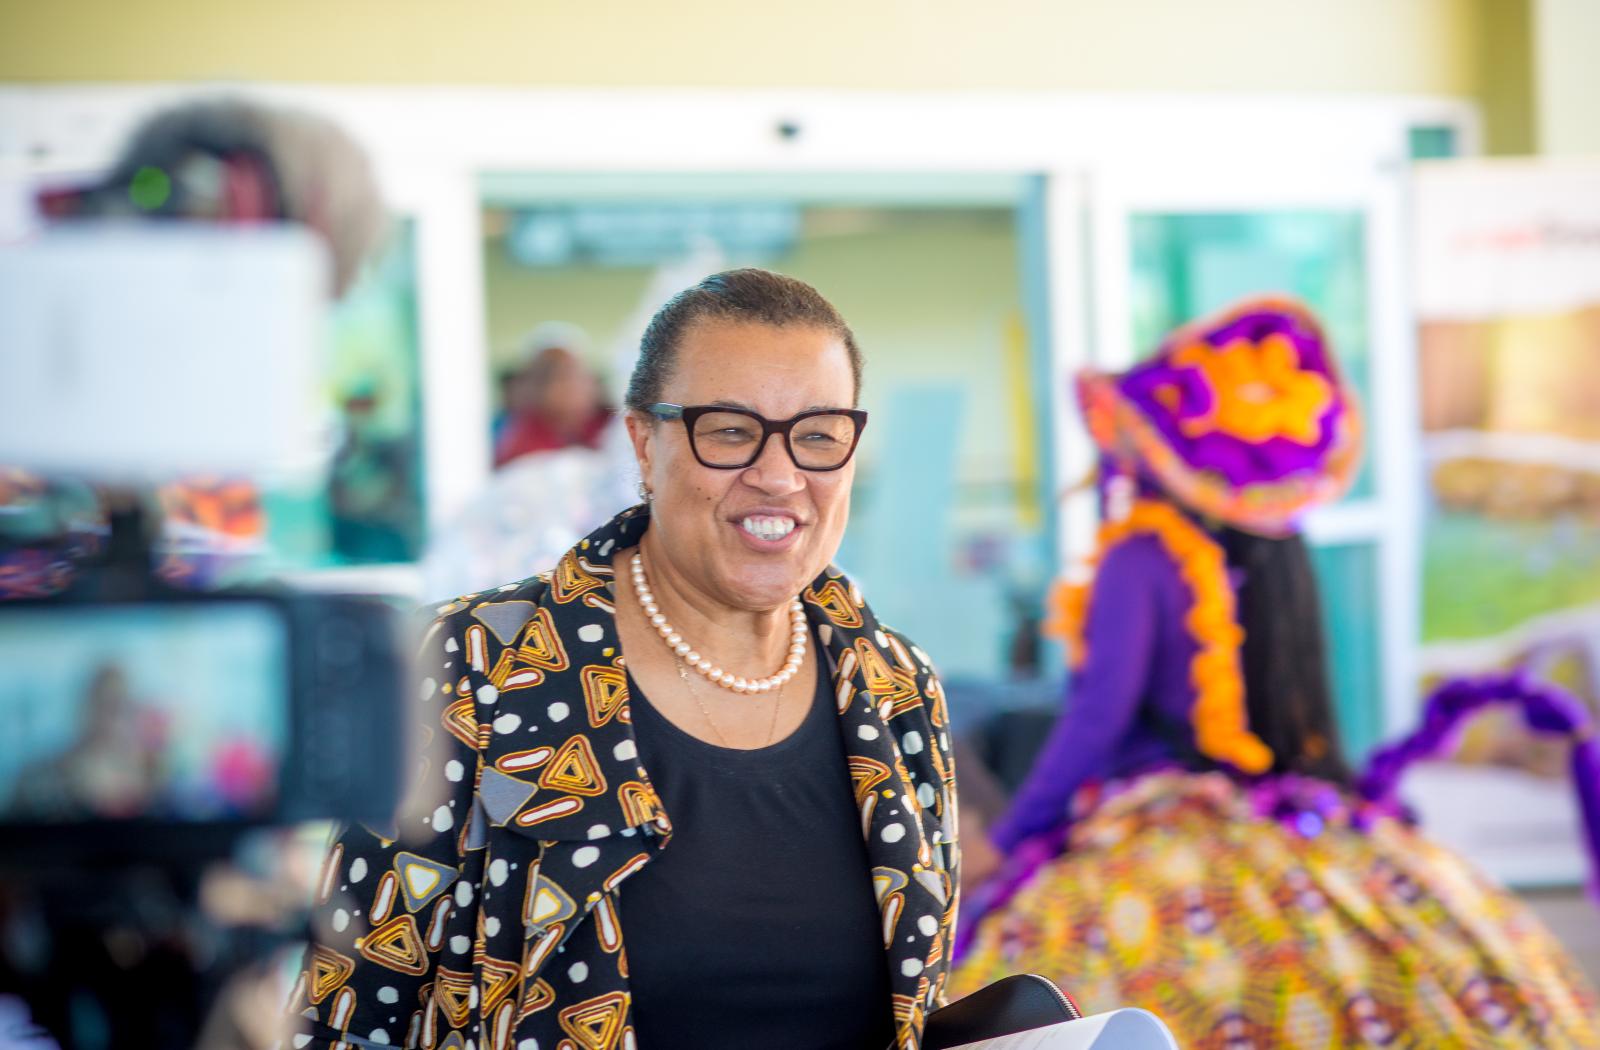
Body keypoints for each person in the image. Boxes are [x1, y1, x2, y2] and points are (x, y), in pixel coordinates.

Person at [290, 269, 962, 1049]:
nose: (779, 476)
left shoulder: (896, 686)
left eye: (817, 435)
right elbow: (347, 1018)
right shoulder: (467, 669)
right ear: (644, 443)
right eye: (729, 431)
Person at [951, 299, 1600, 1047]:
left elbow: (1096, 720)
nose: (1110, 455)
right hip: (1288, 820)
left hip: (1156, 837)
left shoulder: (1139, 555)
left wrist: (1012, 838)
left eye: (1125, 433)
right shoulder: (1276, 554)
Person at [493, 325, 615, 467]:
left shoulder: (612, 421)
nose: (567, 386)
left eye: (571, 374)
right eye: (548, 376)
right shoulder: (517, 433)